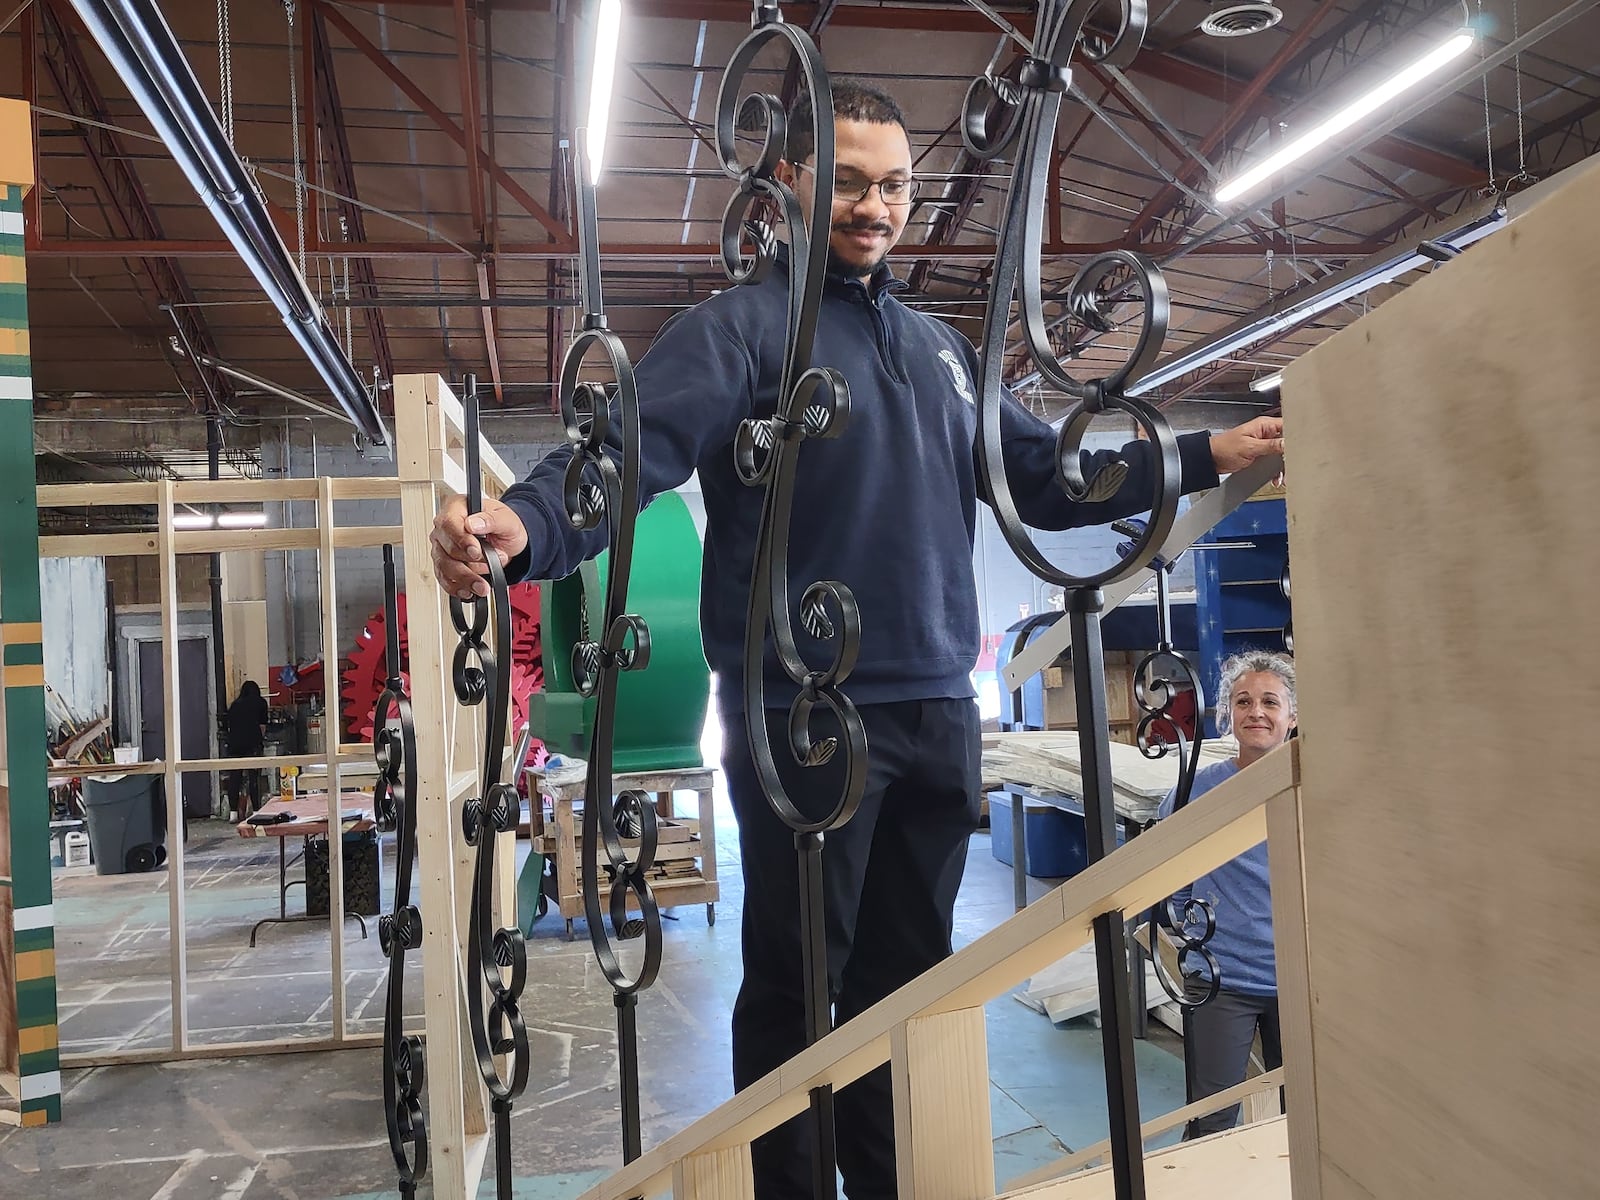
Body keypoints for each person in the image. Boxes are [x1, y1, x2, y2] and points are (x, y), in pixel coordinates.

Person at [431, 80, 1286, 1200]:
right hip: (806, 718)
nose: (873, 206)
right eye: (847, 180)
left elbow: (1045, 474)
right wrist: (529, 524)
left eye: (893, 185)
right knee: (797, 990)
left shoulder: (938, 351)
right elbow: (629, 449)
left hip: (937, 711)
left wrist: (1200, 454)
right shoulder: (741, 329)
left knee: (910, 989)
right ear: (788, 181)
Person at [1155, 650, 1297, 1140]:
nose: (1256, 711)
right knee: (1212, 1119)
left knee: (1305, 1114)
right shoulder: (1196, 791)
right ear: (1228, 714)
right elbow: (1170, 876)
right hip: (1223, 981)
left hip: (1301, 977)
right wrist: (1197, 930)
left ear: (1292, 717)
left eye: (1270, 702)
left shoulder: (1313, 790)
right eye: (1243, 701)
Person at [222, 680, 270, 819]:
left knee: (235, 777)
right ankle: (255, 810)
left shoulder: (234, 705)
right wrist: (259, 741)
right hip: (252, 743)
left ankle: (233, 813)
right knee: (253, 777)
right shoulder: (261, 703)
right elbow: (262, 726)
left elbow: (228, 725)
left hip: (235, 744)